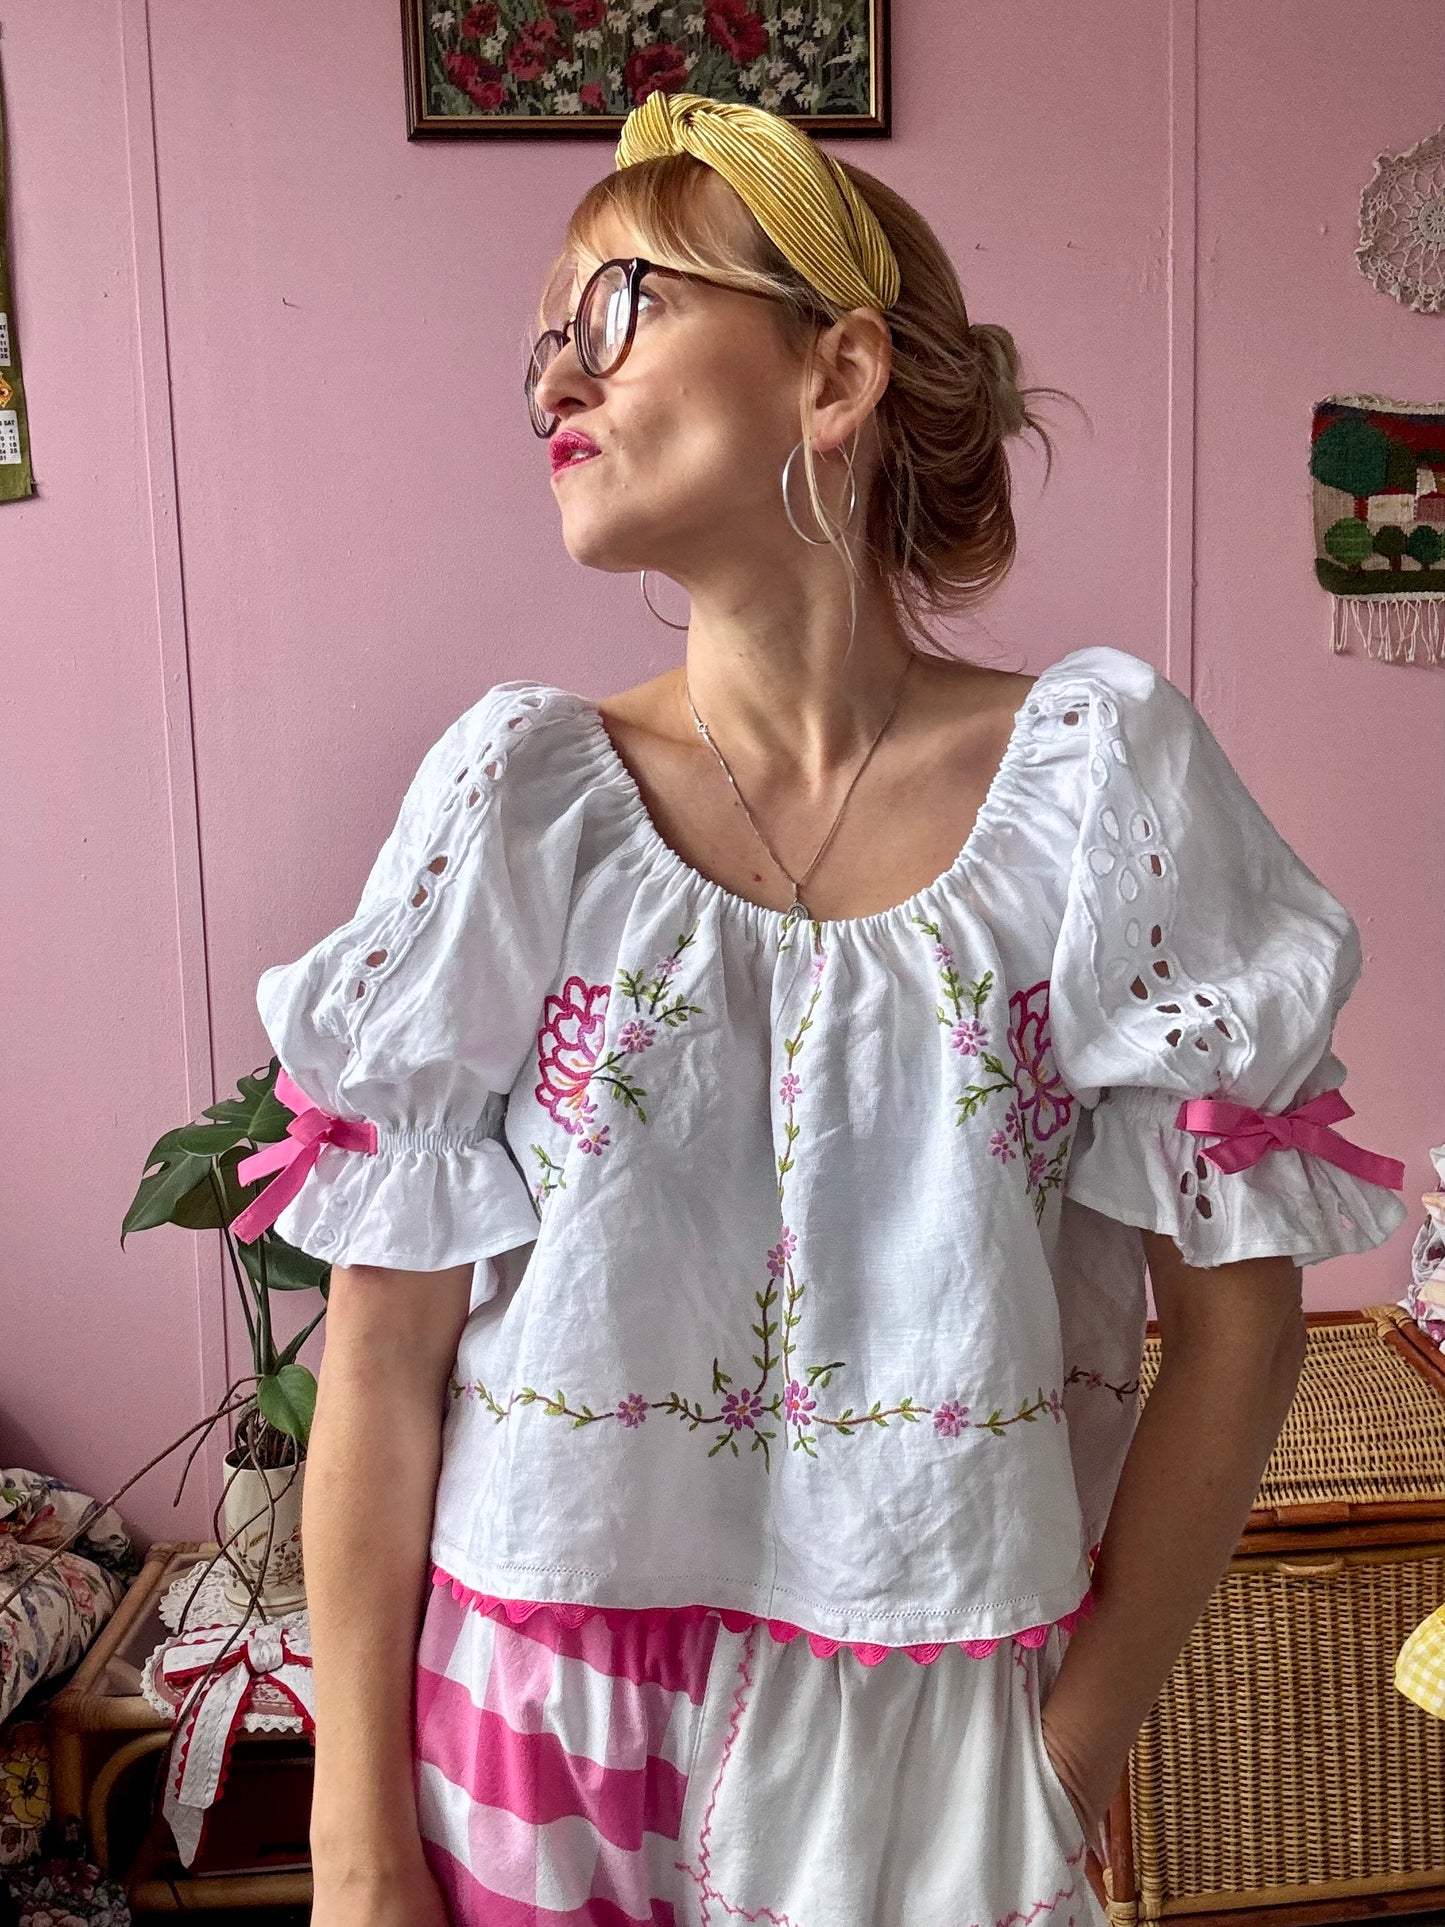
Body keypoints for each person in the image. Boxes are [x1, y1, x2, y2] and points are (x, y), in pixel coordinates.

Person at [238, 92, 1409, 1927]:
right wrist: (353, 1844)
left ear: (833, 371)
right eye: (542, 335)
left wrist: (1064, 1752)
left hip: (946, 1727)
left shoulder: (1104, 791)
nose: (556, 372)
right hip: (531, 1725)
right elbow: (383, 1361)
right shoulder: (517, 799)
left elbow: (1240, 1335)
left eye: (613, 306)